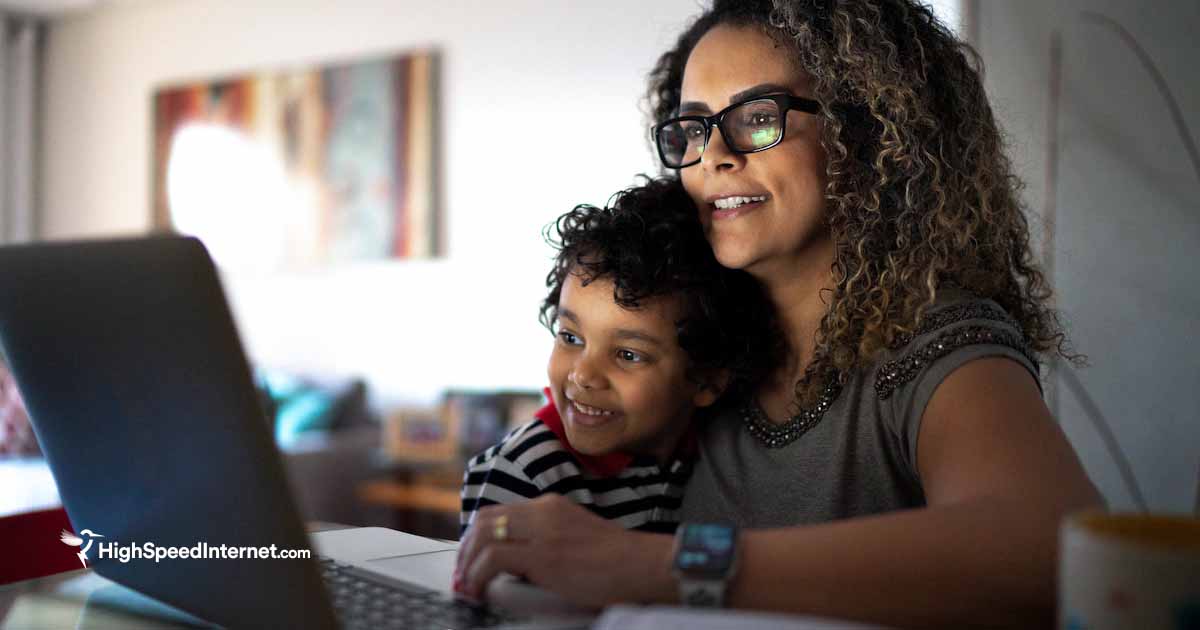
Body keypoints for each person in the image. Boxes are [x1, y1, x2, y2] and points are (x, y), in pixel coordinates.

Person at [455, 1, 1104, 628]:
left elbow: (1050, 551)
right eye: (692, 127)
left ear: (869, 132)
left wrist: (660, 566)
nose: (713, 155)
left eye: (757, 116)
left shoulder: (933, 340)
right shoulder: (702, 346)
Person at [459, 178, 779, 538]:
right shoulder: (525, 472)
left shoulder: (713, 454)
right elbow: (486, 589)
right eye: (570, 337)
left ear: (707, 379)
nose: (583, 375)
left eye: (628, 355)